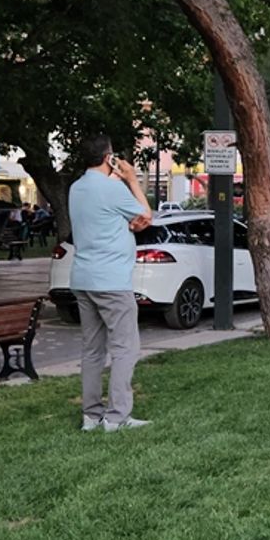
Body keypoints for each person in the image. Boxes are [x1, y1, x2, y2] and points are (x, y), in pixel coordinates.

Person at [68, 134, 152, 432]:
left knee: (92, 349)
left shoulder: (76, 188)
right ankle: (117, 417)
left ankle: (91, 415)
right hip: (112, 280)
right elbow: (146, 215)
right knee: (125, 348)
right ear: (109, 158)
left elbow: (106, 213)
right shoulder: (113, 188)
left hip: (83, 278)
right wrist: (132, 179)